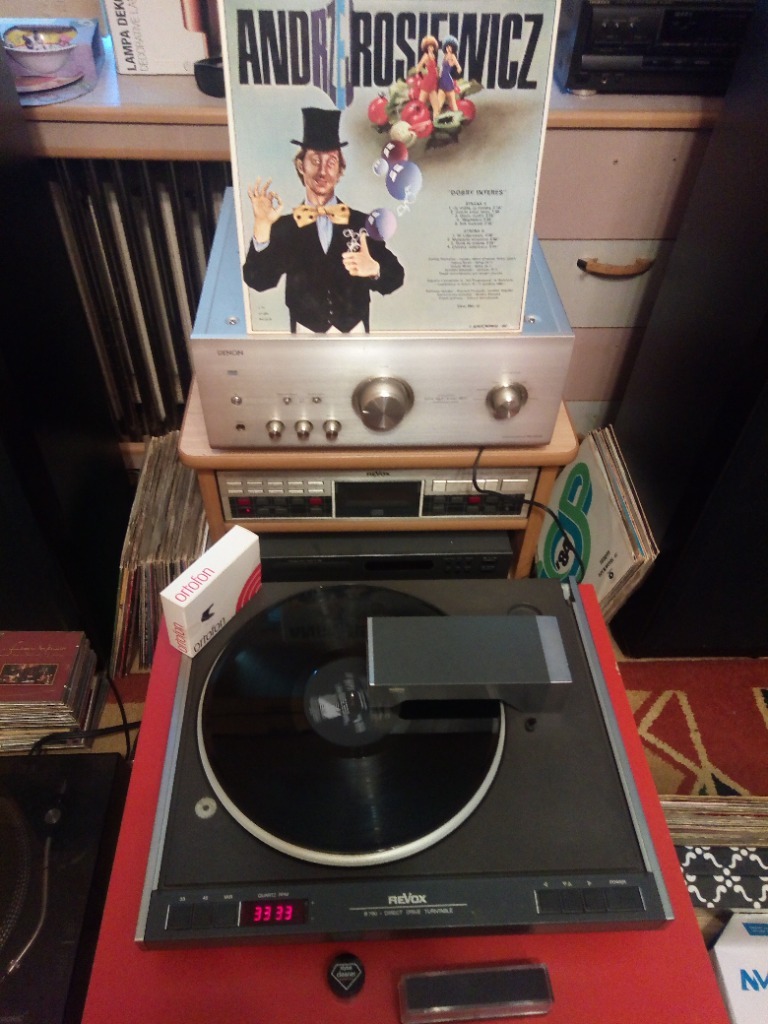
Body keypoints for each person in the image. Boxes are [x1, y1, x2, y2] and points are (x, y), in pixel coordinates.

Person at [242, 107, 404, 333]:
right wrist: (261, 225)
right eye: (315, 160)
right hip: (304, 335)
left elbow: (396, 276)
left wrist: (375, 268)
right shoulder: (286, 227)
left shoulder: (362, 223)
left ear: (340, 171)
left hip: (356, 334)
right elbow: (258, 280)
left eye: (331, 162)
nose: (323, 171)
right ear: (301, 166)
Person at [415, 35, 440, 119]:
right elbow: (418, 67)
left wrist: (437, 74)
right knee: (420, 103)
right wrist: (423, 73)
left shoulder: (433, 56)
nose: (431, 48)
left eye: (432, 46)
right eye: (429, 46)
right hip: (427, 81)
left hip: (433, 81)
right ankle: (415, 118)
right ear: (426, 47)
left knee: (436, 106)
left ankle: (436, 121)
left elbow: (434, 68)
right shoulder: (426, 56)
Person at [438, 35, 462, 113]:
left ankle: (457, 115)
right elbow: (442, 67)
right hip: (442, 80)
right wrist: (439, 74)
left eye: (450, 47)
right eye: (447, 46)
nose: (448, 48)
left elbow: (459, 67)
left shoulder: (453, 56)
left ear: (453, 48)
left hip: (448, 79)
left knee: (452, 101)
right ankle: (436, 117)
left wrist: (456, 73)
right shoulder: (445, 56)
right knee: (439, 102)